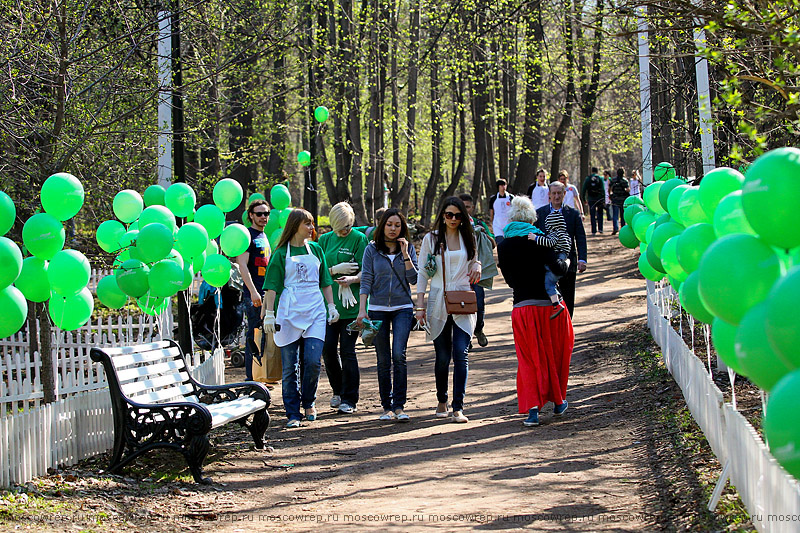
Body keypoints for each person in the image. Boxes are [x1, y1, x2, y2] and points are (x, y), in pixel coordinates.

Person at [497, 195, 575, 427]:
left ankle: (532, 411)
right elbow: (558, 267)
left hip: (522, 308)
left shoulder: (503, 246)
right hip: (550, 308)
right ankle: (558, 401)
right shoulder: (540, 240)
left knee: (528, 360)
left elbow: (511, 281)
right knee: (556, 354)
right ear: (532, 217)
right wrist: (568, 261)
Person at [262, 208, 340, 428]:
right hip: (289, 312)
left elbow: (325, 280)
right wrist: (269, 313)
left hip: (315, 309)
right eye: (307, 223)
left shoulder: (315, 249)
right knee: (290, 367)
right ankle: (293, 412)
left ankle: (309, 401)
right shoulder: (280, 254)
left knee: (313, 361)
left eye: (312, 223)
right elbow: (271, 287)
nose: (312, 228)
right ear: (295, 225)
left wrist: (331, 306)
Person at [416, 197, 481, 423]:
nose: (453, 219)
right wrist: (420, 305)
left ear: (463, 217)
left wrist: (477, 264)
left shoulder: (468, 237)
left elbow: (475, 259)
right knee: (442, 356)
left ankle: (458, 407)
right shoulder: (431, 239)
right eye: (449, 214)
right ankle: (442, 399)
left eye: (457, 215)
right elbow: (423, 273)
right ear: (442, 215)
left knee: (461, 354)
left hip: (462, 300)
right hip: (438, 300)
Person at [357, 208, 418, 422]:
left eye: (397, 225)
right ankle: (386, 406)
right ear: (382, 225)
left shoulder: (408, 248)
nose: (393, 229)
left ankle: (399, 406)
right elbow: (366, 280)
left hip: (402, 307)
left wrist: (405, 254)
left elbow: (413, 279)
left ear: (403, 228)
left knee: (399, 355)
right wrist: (362, 310)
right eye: (389, 224)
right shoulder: (372, 249)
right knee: (383, 359)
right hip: (377, 309)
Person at [319, 202, 368, 414]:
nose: (344, 231)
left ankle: (350, 398)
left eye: (347, 226)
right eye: (340, 227)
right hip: (329, 305)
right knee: (328, 349)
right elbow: (318, 273)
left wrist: (352, 279)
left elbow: (366, 272)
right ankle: (337, 390)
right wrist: (333, 270)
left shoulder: (359, 239)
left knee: (347, 351)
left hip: (351, 305)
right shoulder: (324, 240)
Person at [536, 182, 587, 317]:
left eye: (559, 193)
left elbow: (580, 237)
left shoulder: (573, 214)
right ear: (549, 195)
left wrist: (582, 259)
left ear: (564, 194)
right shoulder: (540, 214)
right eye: (554, 193)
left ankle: (568, 327)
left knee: (568, 297)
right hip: (547, 263)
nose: (556, 196)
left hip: (568, 262)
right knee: (549, 297)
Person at [235, 199, 272, 381]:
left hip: (266, 293)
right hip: (254, 294)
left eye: (266, 213)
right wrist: (253, 292)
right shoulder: (247, 236)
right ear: (251, 215)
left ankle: (262, 374)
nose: (264, 217)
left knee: (265, 334)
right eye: (259, 214)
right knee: (254, 333)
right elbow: (242, 265)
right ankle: (251, 378)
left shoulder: (264, 236)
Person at [459, 193, 498, 348]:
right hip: (459, 273)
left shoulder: (478, 223)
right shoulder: (452, 224)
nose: (465, 210)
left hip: (477, 272)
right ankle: (466, 338)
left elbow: (493, 244)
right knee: (461, 306)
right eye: (462, 207)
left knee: (479, 304)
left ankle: (479, 329)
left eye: (467, 207)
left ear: (472, 208)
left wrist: (483, 234)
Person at [488, 179, 514, 245]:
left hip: (509, 224)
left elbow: (515, 210)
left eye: (504, 185)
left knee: (509, 243)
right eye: (501, 185)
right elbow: (491, 211)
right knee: (500, 242)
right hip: (498, 224)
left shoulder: (511, 197)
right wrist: (491, 222)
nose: (503, 187)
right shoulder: (493, 198)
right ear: (498, 187)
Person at [582, 167, 606, 235]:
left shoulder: (588, 179)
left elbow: (584, 189)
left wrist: (584, 199)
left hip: (591, 199)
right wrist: (603, 199)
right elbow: (603, 189)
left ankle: (593, 230)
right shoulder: (600, 178)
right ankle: (600, 228)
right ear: (597, 171)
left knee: (592, 215)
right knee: (600, 213)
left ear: (592, 171)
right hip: (599, 198)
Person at [609, 168, 630, 235]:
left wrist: (610, 195)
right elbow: (628, 190)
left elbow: (609, 188)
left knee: (615, 214)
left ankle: (615, 228)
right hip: (623, 199)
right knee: (622, 214)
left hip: (615, 198)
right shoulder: (625, 181)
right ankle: (623, 228)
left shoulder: (613, 180)